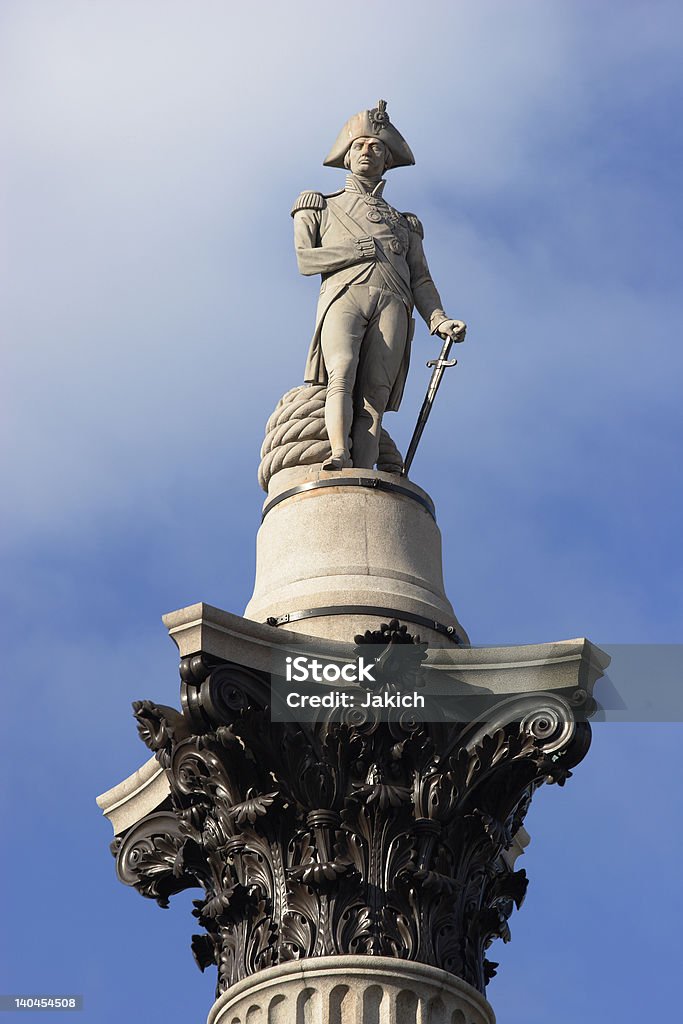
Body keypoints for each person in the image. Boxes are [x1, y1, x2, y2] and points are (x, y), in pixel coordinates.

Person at [291, 100, 466, 471]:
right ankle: (338, 453)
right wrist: (353, 250)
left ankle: (364, 469)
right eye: (359, 145)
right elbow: (307, 261)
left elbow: (420, 278)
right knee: (342, 369)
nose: (367, 152)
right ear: (346, 155)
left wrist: (438, 319)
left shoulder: (405, 224)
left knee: (376, 394)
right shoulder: (319, 206)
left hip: (394, 303)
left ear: (387, 159)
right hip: (344, 294)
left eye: (376, 147)